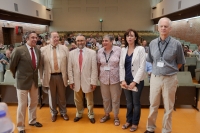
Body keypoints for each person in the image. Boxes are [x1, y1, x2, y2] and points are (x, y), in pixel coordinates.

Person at [145, 17, 185, 133]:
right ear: (158, 28)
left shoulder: (176, 44)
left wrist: (169, 71)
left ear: (170, 28)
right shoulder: (152, 43)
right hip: (155, 78)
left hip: (170, 79)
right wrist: (158, 70)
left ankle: (166, 130)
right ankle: (150, 128)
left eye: (166, 26)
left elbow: (180, 63)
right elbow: (151, 60)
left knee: (168, 107)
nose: (163, 28)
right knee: (153, 104)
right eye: (161, 26)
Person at [9, 31, 42, 133]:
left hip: (34, 81)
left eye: (36, 38)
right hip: (22, 82)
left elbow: (36, 66)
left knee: (33, 102)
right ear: (26, 39)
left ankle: (32, 120)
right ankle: (20, 126)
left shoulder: (37, 50)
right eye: (32, 38)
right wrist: (18, 77)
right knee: (22, 105)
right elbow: (12, 66)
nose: (35, 39)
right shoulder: (19, 50)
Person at [39, 32, 69, 122]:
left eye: (57, 37)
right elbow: (40, 66)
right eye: (54, 37)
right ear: (49, 39)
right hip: (49, 76)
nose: (56, 39)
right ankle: (53, 113)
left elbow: (68, 64)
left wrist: (68, 77)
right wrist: (41, 78)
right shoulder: (43, 50)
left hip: (61, 75)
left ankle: (63, 112)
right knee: (51, 96)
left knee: (62, 96)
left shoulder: (65, 49)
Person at [120, 29, 146, 132]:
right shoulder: (123, 50)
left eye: (131, 36)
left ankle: (135, 123)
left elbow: (142, 67)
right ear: (125, 38)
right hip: (126, 80)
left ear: (135, 37)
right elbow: (121, 66)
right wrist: (122, 80)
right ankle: (128, 120)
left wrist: (134, 82)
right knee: (129, 102)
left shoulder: (140, 49)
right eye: (127, 36)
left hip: (137, 81)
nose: (129, 37)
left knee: (136, 102)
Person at [68, 35, 98, 124]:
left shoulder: (92, 53)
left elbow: (94, 69)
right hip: (76, 81)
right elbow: (69, 69)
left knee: (89, 100)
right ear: (76, 42)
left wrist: (93, 82)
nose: (80, 42)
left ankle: (91, 114)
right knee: (77, 99)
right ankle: (79, 113)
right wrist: (71, 80)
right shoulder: (71, 53)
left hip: (88, 81)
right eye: (78, 41)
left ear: (85, 41)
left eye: (82, 40)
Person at [97, 35, 121, 126]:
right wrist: (98, 77)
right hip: (103, 79)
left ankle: (116, 116)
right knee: (105, 98)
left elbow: (122, 65)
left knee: (115, 99)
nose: (104, 42)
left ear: (112, 41)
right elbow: (98, 65)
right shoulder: (100, 51)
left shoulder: (118, 50)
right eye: (103, 41)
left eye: (106, 41)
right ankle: (107, 114)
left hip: (115, 79)